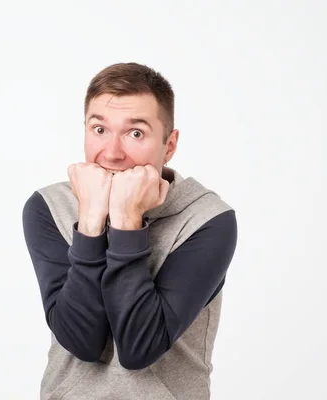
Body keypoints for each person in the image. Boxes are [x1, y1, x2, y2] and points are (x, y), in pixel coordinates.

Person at [22, 62, 238, 399]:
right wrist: (91, 220)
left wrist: (126, 219)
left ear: (169, 145)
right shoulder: (49, 207)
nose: (112, 153)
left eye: (135, 133)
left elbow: (139, 348)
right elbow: (83, 342)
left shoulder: (208, 219)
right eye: (99, 130)